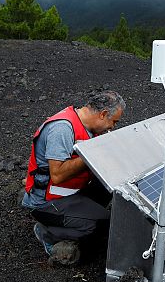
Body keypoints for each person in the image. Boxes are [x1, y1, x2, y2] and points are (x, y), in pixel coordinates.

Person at [22, 91, 125, 264]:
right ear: (103, 114)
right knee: (105, 225)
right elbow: (57, 175)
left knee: (111, 186)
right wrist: (91, 153)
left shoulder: (89, 128)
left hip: (72, 191)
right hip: (46, 202)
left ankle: (78, 216)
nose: (111, 127)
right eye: (113, 122)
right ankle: (48, 233)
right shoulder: (62, 128)